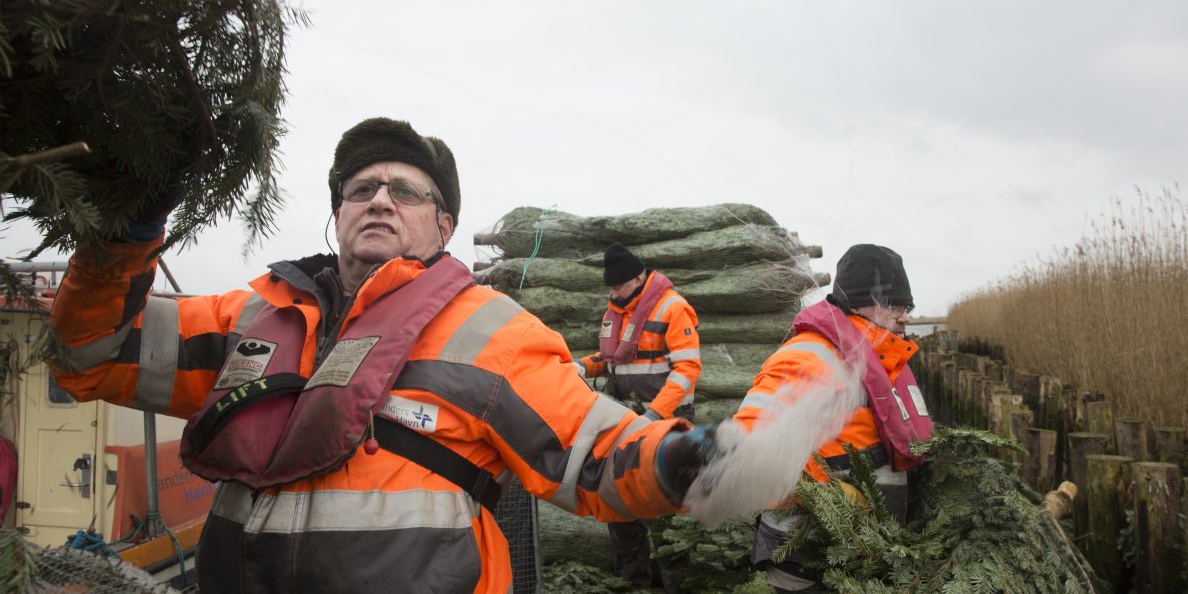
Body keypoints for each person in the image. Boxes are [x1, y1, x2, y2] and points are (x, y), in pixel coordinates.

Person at [48, 118, 718, 593]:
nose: (379, 200)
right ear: (337, 214)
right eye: (361, 189)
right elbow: (90, 354)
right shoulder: (250, 318)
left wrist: (685, 458)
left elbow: (593, 456)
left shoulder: (494, 332)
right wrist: (127, 232)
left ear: (444, 224)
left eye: (405, 191)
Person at [733, 244, 934, 593]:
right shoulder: (807, 359)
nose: (905, 316)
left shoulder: (879, 357)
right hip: (808, 564)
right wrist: (830, 493)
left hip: (857, 559)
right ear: (859, 303)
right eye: (895, 305)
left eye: (908, 306)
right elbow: (747, 450)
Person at [576, 243, 702, 589]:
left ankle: (678, 583)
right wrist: (582, 367)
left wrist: (655, 414)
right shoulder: (614, 311)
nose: (614, 293)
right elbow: (611, 358)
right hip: (623, 419)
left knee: (666, 504)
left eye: (619, 286)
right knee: (618, 502)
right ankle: (636, 583)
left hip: (665, 423)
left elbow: (688, 368)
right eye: (611, 288)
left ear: (639, 277)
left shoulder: (673, 308)